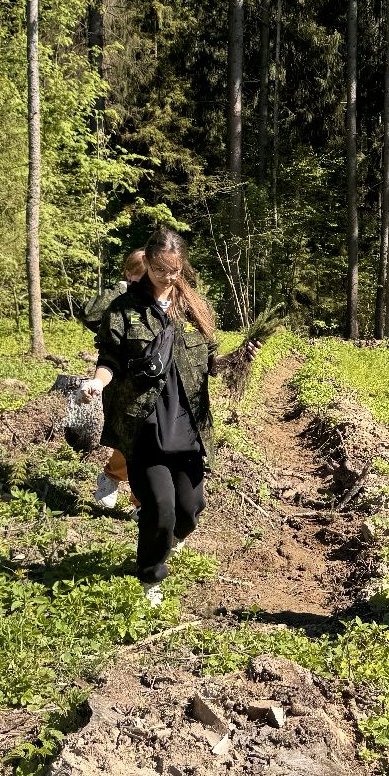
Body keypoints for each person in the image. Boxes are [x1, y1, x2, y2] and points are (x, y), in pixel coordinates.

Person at [80, 230, 249, 605]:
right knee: (160, 506)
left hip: (188, 423)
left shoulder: (194, 308)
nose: (169, 277)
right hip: (145, 424)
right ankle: (150, 578)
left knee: (188, 511)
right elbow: (108, 361)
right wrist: (97, 382)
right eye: (160, 270)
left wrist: (239, 360)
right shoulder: (124, 310)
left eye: (175, 270)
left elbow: (210, 364)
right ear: (148, 264)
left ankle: (168, 540)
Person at [91, 249, 147, 510]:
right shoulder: (119, 301)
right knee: (128, 443)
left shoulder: (155, 302)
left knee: (145, 446)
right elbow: (91, 314)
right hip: (119, 380)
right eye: (140, 276)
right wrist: (119, 290)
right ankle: (111, 477)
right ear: (129, 273)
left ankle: (139, 502)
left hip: (148, 381)